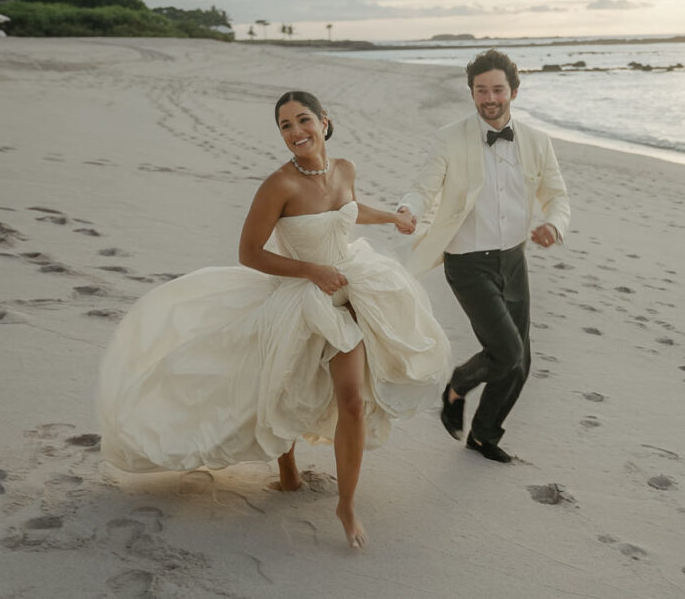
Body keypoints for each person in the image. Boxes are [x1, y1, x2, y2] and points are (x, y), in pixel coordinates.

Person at [97, 90, 451, 549]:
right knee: (286, 385)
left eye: (303, 120)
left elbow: (347, 210)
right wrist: (311, 271)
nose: (296, 132)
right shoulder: (278, 186)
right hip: (300, 291)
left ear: (324, 121)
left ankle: (345, 505)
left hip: (353, 281)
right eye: (285, 126)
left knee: (350, 398)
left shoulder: (345, 169)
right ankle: (288, 473)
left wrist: (391, 219)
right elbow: (248, 253)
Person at [397, 49, 571, 463]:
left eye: (497, 89)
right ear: (471, 93)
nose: (489, 98)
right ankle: (458, 383)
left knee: (521, 361)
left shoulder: (537, 141)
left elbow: (557, 195)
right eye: (481, 91)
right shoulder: (449, 138)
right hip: (468, 262)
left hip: (513, 259)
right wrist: (409, 209)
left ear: (514, 90)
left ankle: (483, 434)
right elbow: (424, 186)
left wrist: (554, 225)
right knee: (507, 352)